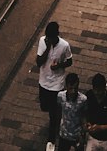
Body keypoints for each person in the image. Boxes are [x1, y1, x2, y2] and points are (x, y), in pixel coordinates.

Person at [36, 20, 73, 150]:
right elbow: (38, 62)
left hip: (57, 83)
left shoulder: (64, 45)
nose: (49, 39)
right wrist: (47, 48)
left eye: (51, 38)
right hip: (43, 81)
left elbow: (69, 61)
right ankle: (58, 116)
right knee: (44, 106)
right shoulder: (43, 41)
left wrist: (59, 66)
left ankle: (51, 139)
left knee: (53, 112)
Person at [83, 73, 107, 150]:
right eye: (95, 90)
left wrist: (101, 127)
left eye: (99, 90)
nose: (97, 93)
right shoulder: (89, 95)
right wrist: (86, 123)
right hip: (92, 138)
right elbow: (84, 112)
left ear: (104, 87)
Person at [57, 72, 86, 151]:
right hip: (64, 134)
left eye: (75, 88)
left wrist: (83, 135)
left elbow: (84, 117)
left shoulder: (83, 100)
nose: (73, 91)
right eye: (71, 88)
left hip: (77, 135)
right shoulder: (60, 96)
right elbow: (58, 110)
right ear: (66, 86)